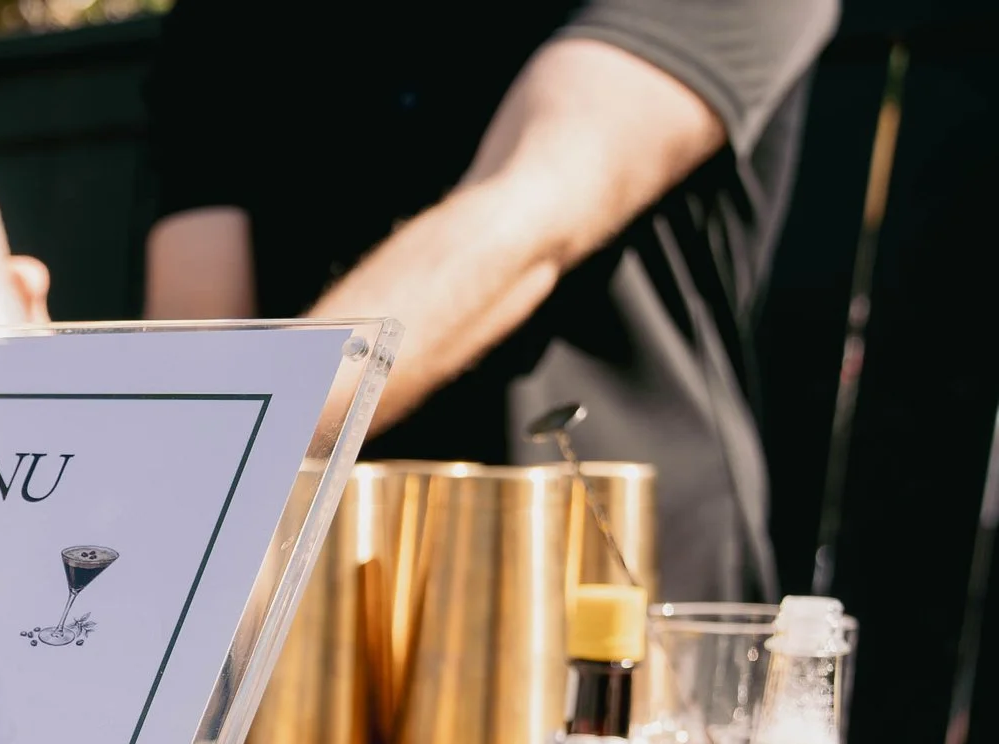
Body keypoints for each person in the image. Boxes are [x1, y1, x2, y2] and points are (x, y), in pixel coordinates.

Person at [143, 0, 838, 602]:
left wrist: (193, 460)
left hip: (612, 594)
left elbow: (530, 210)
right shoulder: (228, 20)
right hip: (314, 606)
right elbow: (200, 337)